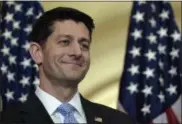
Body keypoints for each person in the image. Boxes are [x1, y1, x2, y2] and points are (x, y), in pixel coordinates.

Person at [0, 7, 134, 124]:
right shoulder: (7, 120)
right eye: (65, 42)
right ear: (37, 53)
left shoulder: (119, 121)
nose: (77, 52)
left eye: (84, 45)